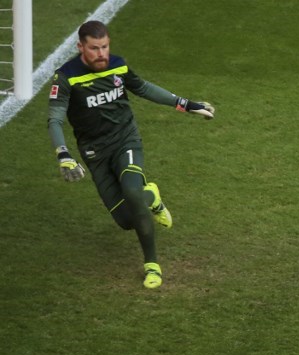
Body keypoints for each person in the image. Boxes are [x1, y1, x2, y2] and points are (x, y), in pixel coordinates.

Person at [47, 20, 215, 289]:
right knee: (126, 220)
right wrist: (63, 154)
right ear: (80, 47)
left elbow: (144, 88)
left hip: (126, 140)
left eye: (105, 47)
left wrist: (187, 105)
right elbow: (54, 119)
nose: (101, 54)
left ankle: (152, 265)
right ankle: (153, 196)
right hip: (95, 153)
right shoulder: (66, 78)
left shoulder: (118, 65)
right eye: (94, 48)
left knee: (132, 192)